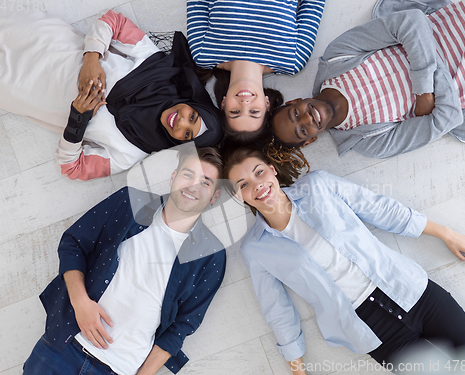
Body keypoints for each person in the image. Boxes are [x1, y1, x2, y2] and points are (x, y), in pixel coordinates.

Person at [222, 143, 465, 374]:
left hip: (413, 293)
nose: (258, 185)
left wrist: (446, 234)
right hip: (371, 331)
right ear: (238, 195)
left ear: (272, 169)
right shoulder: (255, 249)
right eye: (244, 184)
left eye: (259, 172)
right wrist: (297, 367)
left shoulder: (319, 185)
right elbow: (276, 308)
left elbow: (379, 209)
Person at [23, 146, 226, 375]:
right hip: (63, 349)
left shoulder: (211, 257)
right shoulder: (130, 203)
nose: (192, 186)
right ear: (174, 177)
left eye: (206, 182)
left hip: (118, 369)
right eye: (188, 174)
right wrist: (81, 303)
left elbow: (182, 327)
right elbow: (73, 243)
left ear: (214, 196)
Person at [0, 9, 222, 180]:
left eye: (186, 134)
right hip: (41, 40)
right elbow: (114, 21)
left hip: (21, 88)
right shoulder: (156, 67)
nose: (181, 123)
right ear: (193, 103)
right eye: (192, 116)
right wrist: (91, 58)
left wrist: (79, 118)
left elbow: (72, 167)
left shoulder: (130, 152)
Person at [270, 0, 465, 159]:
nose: (307, 119)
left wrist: (424, 93)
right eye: (302, 131)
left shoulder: (336, 57)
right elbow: (448, 118)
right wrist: (420, 48)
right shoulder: (370, 141)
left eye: (295, 114)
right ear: (309, 140)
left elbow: (411, 21)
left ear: (295, 101)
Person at [186, 0, 325, 141]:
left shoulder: (202, 52)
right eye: (254, 112)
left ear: (223, 103)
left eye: (235, 112)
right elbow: (314, 4)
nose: (245, 104)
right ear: (267, 104)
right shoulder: (293, 60)